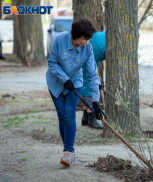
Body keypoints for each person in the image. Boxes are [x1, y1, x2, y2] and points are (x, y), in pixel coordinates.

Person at [46, 18, 103, 167]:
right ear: (75, 35)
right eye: (83, 39)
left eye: (88, 39)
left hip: (75, 83)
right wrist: (64, 78)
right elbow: (51, 62)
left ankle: (68, 153)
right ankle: (69, 151)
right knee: (62, 116)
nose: (85, 42)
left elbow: (92, 75)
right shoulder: (59, 40)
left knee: (70, 113)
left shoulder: (88, 48)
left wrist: (95, 102)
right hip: (56, 83)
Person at [80, 31, 105, 129]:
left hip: (96, 41)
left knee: (87, 79)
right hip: (97, 46)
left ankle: (85, 117)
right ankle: (91, 117)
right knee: (89, 80)